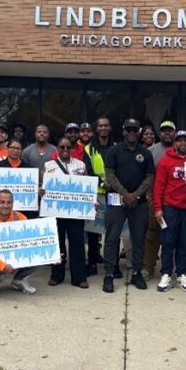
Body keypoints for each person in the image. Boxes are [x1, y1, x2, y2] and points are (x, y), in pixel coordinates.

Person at [102, 118, 154, 293]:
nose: (132, 132)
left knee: (138, 238)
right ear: (123, 131)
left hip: (138, 203)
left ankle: (137, 272)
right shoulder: (114, 150)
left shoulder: (145, 153)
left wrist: (135, 195)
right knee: (111, 238)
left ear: (139, 132)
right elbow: (109, 175)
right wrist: (125, 194)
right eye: (129, 129)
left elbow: (149, 177)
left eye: (135, 129)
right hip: (116, 200)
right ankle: (109, 273)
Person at [152, 130, 186, 292]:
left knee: (185, 241)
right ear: (174, 143)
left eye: (185, 141)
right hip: (170, 208)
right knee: (168, 241)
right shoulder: (165, 162)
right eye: (179, 141)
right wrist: (157, 208)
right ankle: (166, 273)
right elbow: (158, 187)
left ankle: (182, 273)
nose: (182, 144)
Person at [43, 137, 90, 288]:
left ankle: (79, 277)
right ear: (57, 148)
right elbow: (43, 187)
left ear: (72, 149)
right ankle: (56, 275)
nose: (65, 150)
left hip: (75, 213)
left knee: (77, 243)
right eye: (61, 147)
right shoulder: (48, 165)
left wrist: (90, 201)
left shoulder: (81, 165)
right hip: (56, 212)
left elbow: (86, 187)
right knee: (57, 244)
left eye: (68, 147)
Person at [143, 120, 176, 278]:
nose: (167, 133)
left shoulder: (182, 150)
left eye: (170, 130)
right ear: (160, 133)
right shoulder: (150, 151)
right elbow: (146, 175)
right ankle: (148, 267)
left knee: (177, 235)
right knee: (152, 234)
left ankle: (182, 268)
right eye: (164, 131)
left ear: (174, 133)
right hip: (154, 199)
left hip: (175, 200)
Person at [85, 116, 114, 275]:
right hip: (96, 193)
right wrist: (102, 183)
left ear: (110, 128)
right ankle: (92, 261)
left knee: (112, 229)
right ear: (97, 129)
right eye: (100, 125)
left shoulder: (116, 147)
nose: (103, 128)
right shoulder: (89, 149)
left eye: (106, 125)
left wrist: (113, 185)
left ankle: (112, 263)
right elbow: (87, 171)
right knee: (93, 230)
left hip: (113, 194)